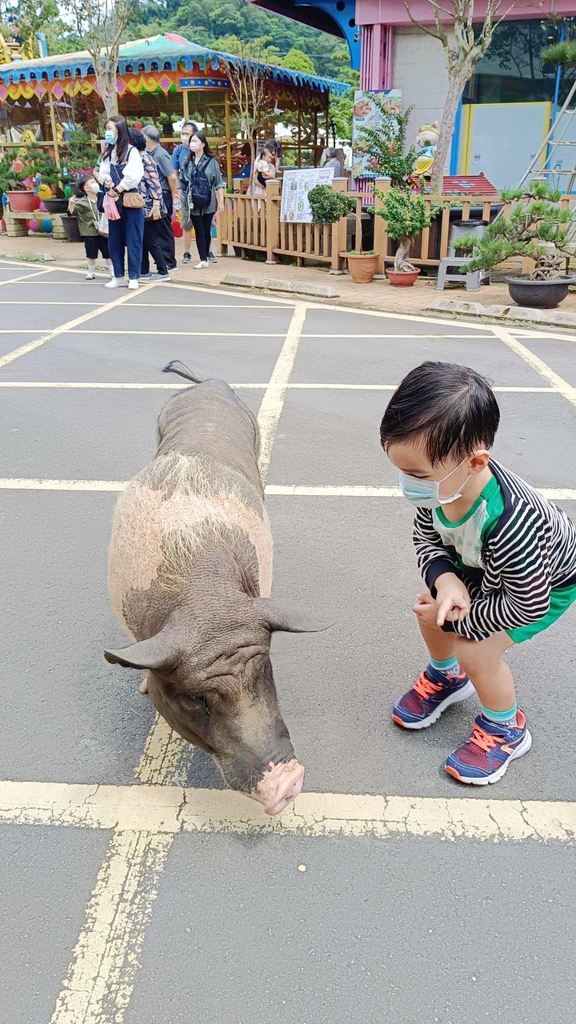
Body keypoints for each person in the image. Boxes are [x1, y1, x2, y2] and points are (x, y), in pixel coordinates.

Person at [380, 361, 576, 785]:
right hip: (482, 566)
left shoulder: (512, 522)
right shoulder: (441, 487)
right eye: (400, 470)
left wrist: (465, 621)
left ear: (475, 462)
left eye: (416, 475)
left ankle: (506, 728)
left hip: (541, 583)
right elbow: (427, 539)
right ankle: (447, 677)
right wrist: (445, 581)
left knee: (475, 648)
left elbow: (528, 603)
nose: (407, 485)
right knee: (432, 608)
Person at [98, 114, 144, 290]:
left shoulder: (132, 152)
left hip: (129, 200)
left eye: (109, 129)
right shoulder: (108, 153)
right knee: (114, 239)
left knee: (133, 238)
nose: (107, 132)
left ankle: (133, 276)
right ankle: (118, 275)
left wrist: (117, 189)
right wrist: (107, 182)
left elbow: (133, 177)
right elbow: (102, 173)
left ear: (119, 129)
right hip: (113, 199)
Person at [128, 129, 170, 283]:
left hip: (149, 204)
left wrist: (157, 204)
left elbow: (155, 183)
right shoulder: (135, 159)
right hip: (140, 204)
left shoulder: (145, 158)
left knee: (151, 239)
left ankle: (162, 270)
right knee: (143, 238)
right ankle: (144, 270)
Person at [179, 129, 224, 270]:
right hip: (193, 201)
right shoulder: (188, 161)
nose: (192, 144)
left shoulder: (212, 162)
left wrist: (221, 202)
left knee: (206, 229)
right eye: (191, 141)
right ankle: (203, 258)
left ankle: (205, 257)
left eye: (195, 141)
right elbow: (182, 182)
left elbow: (218, 183)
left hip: (208, 201)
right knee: (198, 230)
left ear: (203, 144)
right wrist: (180, 197)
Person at [172, 120, 211, 265]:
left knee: (205, 225)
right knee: (186, 224)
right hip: (186, 194)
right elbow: (175, 173)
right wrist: (177, 191)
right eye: (183, 133)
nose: (184, 137)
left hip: (203, 195)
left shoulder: (202, 152)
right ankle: (186, 252)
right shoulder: (178, 151)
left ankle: (206, 252)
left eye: (187, 134)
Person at [142, 124, 178, 271]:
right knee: (157, 230)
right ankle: (162, 260)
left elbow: (172, 177)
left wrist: (172, 194)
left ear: (147, 139)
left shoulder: (160, 154)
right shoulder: (151, 154)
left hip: (163, 194)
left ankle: (169, 261)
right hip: (156, 195)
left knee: (164, 229)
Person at [68, 175, 112, 280]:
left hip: (104, 231)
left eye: (95, 182)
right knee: (91, 253)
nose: (95, 184)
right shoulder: (82, 202)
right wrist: (71, 204)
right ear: (86, 188)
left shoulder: (103, 198)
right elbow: (72, 213)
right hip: (89, 232)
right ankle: (91, 272)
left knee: (108, 253)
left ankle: (112, 272)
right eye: (92, 182)